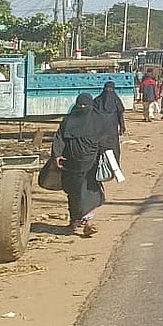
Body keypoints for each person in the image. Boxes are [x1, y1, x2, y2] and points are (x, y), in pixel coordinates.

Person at [52, 93, 120, 237]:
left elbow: (107, 141)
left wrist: (108, 159)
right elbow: (59, 138)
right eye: (80, 105)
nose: (82, 108)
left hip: (91, 163)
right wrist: (57, 155)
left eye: (85, 105)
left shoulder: (98, 121)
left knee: (89, 191)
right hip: (70, 163)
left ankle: (88, 222)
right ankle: (74, 220)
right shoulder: (68, 120)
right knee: (73, 192)